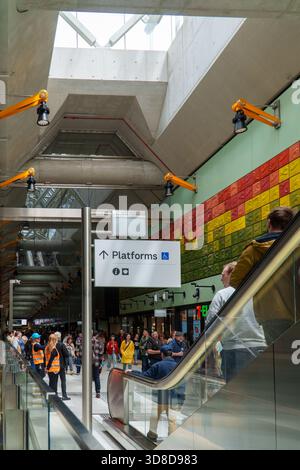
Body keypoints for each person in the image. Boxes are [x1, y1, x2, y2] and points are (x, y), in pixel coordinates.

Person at [230, 206, 296, 344]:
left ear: (269, 223)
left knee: (278, 357)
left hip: (272, 313)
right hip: (296, 309)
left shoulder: (254, 249)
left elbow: (235, 280)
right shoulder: (295, 244)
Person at [207, 262, 267, 382]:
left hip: (233, 350)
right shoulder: (259, 290)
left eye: (223, 274)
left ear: (232, 274)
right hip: (261, 347)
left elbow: (210, 324)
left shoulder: (222, 294)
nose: (220, 278)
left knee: (236, 393)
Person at [130, 345, 178, 441]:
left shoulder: (158, 365)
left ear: (162, 354)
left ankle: (152, 435)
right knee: (172, 420)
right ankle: (172, 439)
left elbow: (145, 376)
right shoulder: (178, 366)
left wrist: (132, 372)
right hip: (173, 398)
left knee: (154, 416)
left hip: (159, 398)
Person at [54, 332, 71, 400]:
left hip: (54, 365)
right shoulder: (61, 345)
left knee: (54, 381)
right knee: (63, 381)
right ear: (59, 337)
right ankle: (64, 395)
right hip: (61, 365)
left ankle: (55, 394)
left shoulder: (53, 345)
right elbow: (67, 354)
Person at [92, 332, 105, 398]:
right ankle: (98, 392)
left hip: (88, 363)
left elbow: (81, 353)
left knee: (88, 377)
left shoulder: (86, 342)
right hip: (96, 362)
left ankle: (87, 391)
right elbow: (101, 352)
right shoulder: (98, 343)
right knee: (97, 377)